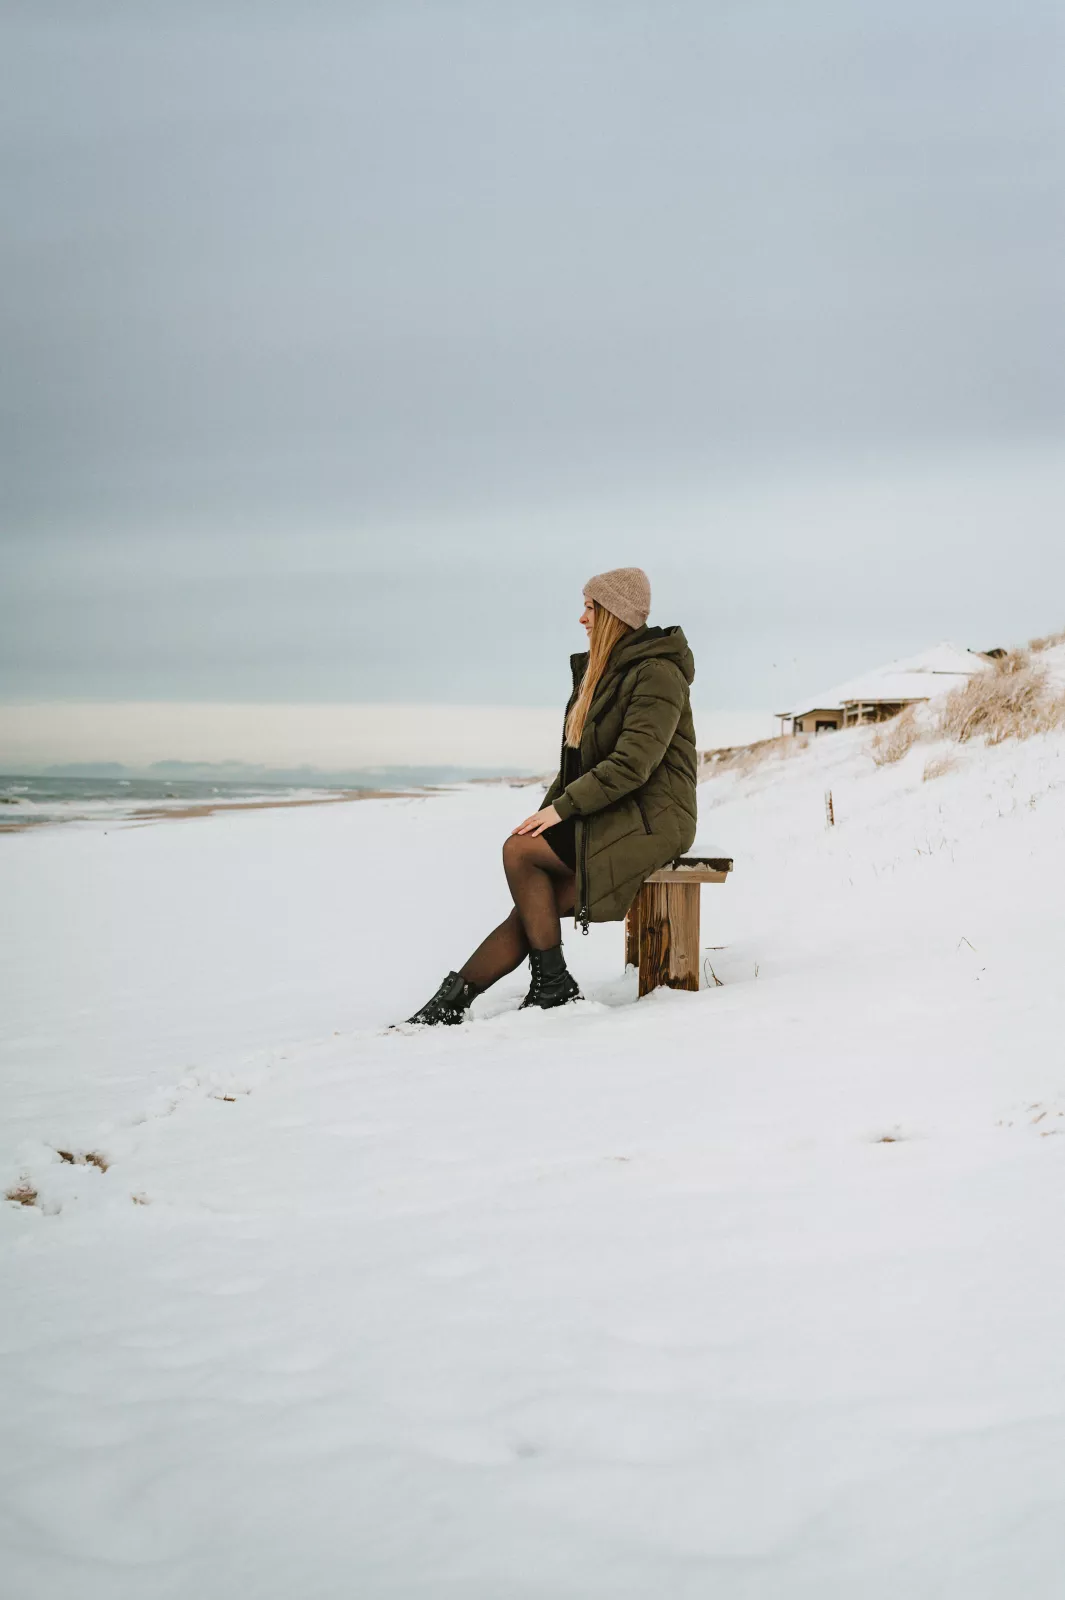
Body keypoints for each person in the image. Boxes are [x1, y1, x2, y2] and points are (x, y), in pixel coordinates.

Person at [400, 567, 698, 1026]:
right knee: (533, 895)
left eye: (590, 608)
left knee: (520, 855)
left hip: (654, 817)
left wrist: (561, 811)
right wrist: (548, 812)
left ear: (614, 614)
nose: (582, 618)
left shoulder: (657, 674)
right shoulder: (603, 674)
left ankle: (529, 989)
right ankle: (474, 998)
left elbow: (631, 766)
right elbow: (576, 765)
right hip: (618, 810)